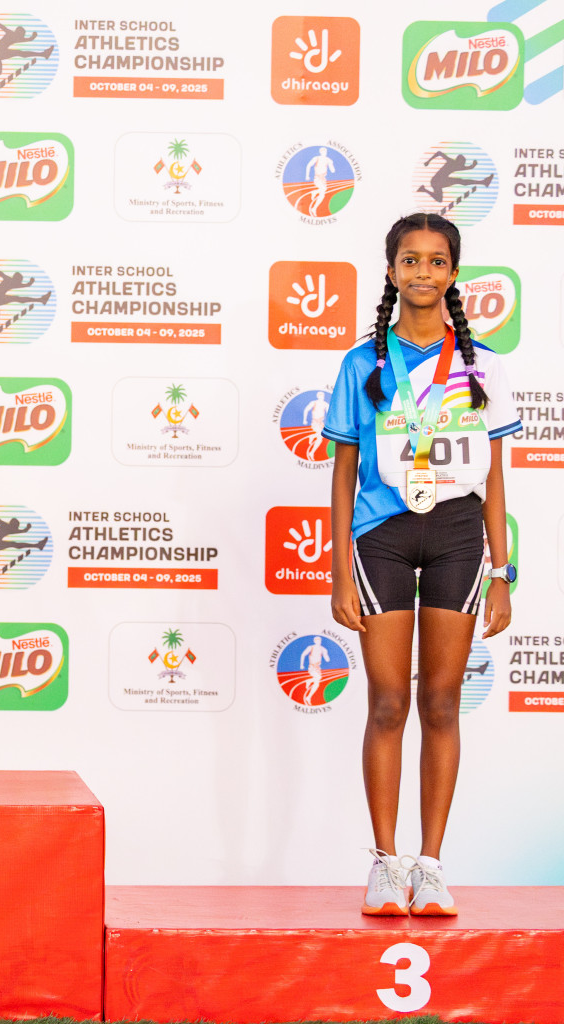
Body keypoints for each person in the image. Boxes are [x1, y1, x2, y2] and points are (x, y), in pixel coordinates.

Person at [323, 213, 520, 916]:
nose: (424, 273)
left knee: (440, 702)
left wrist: (504, 572)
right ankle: (383, 862)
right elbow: (344, 470)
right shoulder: (361, 364)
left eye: (437, 262)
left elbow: (495, 475)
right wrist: (339, 569)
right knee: (386, 701)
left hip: (459, 537)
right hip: (379, 536)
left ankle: (430, 866)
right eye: (411, 261)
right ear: (391, 272)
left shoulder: (482, 363)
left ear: (453, 274)